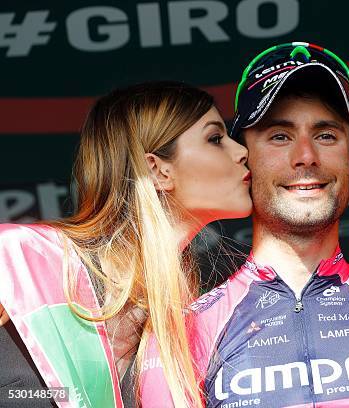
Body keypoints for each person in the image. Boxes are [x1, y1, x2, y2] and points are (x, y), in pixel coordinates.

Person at [140, 42, 349, 407]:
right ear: (244, 156)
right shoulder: (183, 332)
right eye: (280, 136)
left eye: (326, 135)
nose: (306, 157)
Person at [0, 81, 252, 407]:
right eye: (215, 139)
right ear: (158, 170)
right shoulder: (20, 261)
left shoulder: (178, 318)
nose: (241, 151)